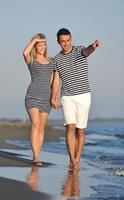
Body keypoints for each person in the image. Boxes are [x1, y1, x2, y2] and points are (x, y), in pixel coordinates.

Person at [51, 28, 102, 169]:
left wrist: (93, 46)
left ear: (71, 39)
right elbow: (56, 80)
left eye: (68, 40)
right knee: (70, 127)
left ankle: (77, 158)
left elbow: (87, 51)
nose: (66, 44)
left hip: (84, 95)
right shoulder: (56, 59)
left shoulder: (79, 51)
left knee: (80, 130)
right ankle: (72, 159)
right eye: (63, 41)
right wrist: (53, 97)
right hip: (67, 96)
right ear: (58, 42)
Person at [23, 33, 53, 166]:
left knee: (41, 128)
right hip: (33, 96)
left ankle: (37, 155)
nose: (42, 47)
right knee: (35, 124)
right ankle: (35, 156)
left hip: (46, 99)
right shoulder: (32, 60)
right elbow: (24, 52)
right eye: (39, 44)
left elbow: (53, 81)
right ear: (35, 46)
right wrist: (34, 40)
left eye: (43, 44)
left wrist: (54, 97)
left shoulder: (51, 61)